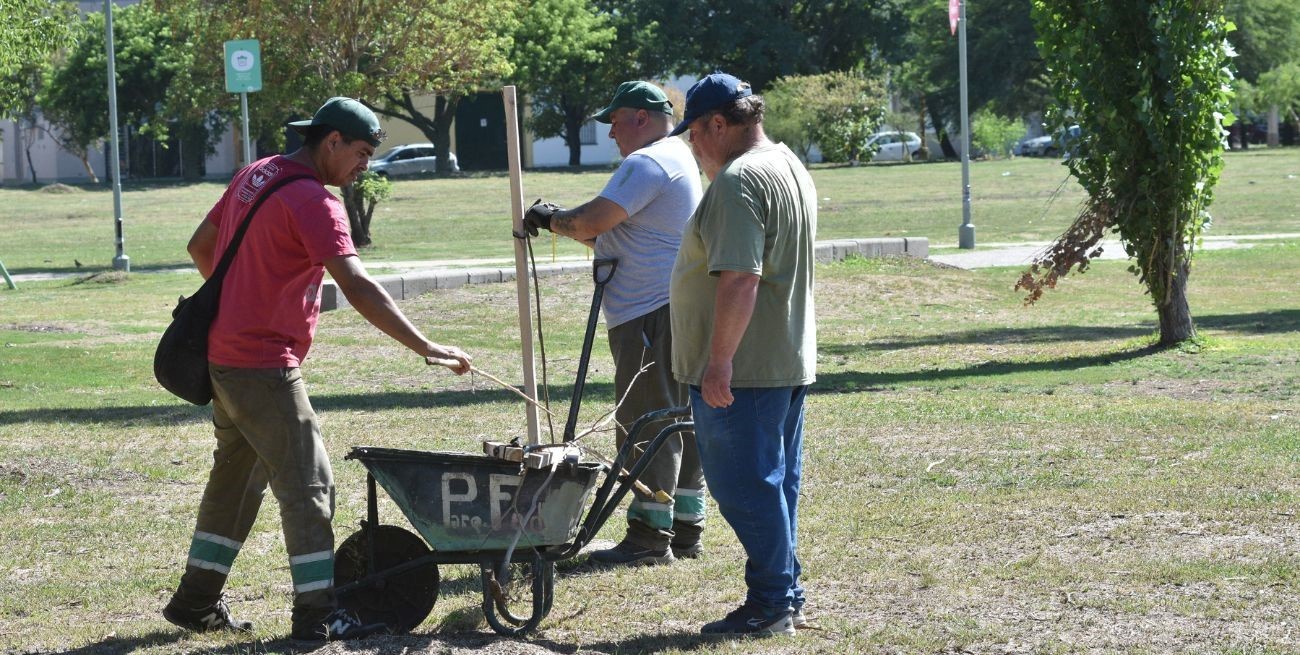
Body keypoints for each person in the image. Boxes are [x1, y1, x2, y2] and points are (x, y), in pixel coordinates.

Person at [161, 97, 472, 642]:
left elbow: (200, 245)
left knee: (235, 480)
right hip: (261, 364)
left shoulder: (256, 174)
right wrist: (425, 345)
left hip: (223, 359)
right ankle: (317, 613)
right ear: (330, 142)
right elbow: (357, 286)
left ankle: (195, 601)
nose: (364, 167)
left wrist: (243, 296)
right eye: (361, 153)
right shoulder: (315, 202)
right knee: (310, 484)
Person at [523, 81, 705, 566]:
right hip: (676, 306)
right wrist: (568, 223)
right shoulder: (679, 156)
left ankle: (648, 537)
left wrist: (550, 217)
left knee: (647, 422)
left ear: (640, 118)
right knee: (681, 421)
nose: (611, 134)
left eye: (615, 122)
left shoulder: (647, 162)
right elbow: (622, 236)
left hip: (649, 312)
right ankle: (686, 527)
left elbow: (590, 223)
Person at [668, 73, 817, 636]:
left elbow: (739, 279)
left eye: (695, 134)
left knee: (745, 487)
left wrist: (718, 361)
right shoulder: (787, 162)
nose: (693, 146)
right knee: (775, 484)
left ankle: (774, 602)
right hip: (783, 357)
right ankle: (782, 594)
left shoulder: (738, 181)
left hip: (747, 367)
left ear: (718, 124)